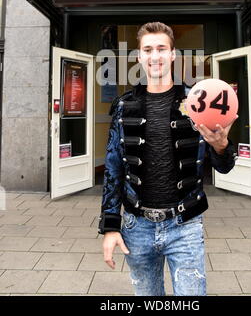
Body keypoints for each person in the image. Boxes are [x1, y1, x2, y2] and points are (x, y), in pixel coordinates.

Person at [98, 21, 238, 296]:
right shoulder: (125, 106)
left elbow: (225, 167)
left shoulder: (198, 102)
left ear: (173, 55)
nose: (155, 56)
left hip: (185, 226)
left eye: (162, 48)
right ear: (139, 57)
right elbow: (113, 168)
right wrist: (110, 227)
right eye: (148, 50)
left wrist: (221, 147)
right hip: (136, 227)